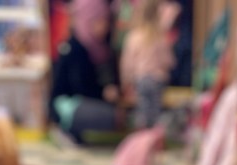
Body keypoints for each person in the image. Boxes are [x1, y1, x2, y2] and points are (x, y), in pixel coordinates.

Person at [49, 0, 122, 142]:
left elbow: (111, 77)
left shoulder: (102, 49)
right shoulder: (74, 48)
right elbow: (79, 87)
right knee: (113, 117)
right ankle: (65, 130)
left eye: (106, 21)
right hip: (66, 105)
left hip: (88, 100)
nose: (104, 26)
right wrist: (103, 93)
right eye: (98, 21)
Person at [120, 0, 178, 129]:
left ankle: (143, 131)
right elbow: (168, 61)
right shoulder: (160, 36)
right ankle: (154, 132)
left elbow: (127, 63)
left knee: (143, 109)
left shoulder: (134, 36)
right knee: (155, 111)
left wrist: (126, 81)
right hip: (157, 79)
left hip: (141, 79)